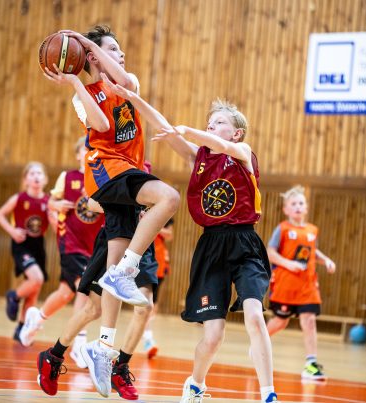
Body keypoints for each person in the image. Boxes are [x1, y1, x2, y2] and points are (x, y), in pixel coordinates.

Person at [103, 83, 279, 402]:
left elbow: (211, 141)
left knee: (254, 315)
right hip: (211, 247)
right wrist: (133, 98)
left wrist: (189, 130)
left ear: (237, 133)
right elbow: (165, 127)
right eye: (209, 122)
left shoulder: (243, 152)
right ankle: (196, 384)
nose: (211, 126)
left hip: (244, 243)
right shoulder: (198, 158)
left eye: (219, 122)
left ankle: (269, 394)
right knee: (213, 336)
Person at [36, 24, 179, 398]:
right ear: (94, 57)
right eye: (113, 49)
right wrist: (76, 82)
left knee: (111, 279)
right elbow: (100, 124)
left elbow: (126, 81)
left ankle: (94, 350)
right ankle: (122, 279)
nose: (122, 54)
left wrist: (87, 44)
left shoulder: (128, 83)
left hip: (127, 175)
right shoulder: (84, 95)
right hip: (106, 171)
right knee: (169, 198)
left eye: (120, 49)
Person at [18, 137, 105, 369]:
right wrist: (54, 206)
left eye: (93, 149)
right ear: (77, 155)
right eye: (85, 149)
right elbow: (50, 201)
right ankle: (79, 342)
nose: (89, 152)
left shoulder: (102, 179)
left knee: (66, 292)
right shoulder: (68, 177)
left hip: (94, 246)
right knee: (84, 288)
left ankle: (37, 318)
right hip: (71, 243)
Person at [265, 185, 336, 380]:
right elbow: (270, 252)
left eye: (301, 203)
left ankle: (311, 364)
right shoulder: (283, 229)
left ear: (306, 208)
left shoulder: (312, 230)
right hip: (286, 284)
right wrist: (288, 263)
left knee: (309, 320)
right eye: (293, 203)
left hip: (308, 285)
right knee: (281, 321)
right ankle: (260, 342)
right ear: (286, 209)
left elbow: (313, 252)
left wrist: (326, 260)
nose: (298, 206)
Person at [0, 161, 50, 342]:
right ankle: (13, 296)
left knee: (34, 289)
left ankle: (21, 328)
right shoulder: (18, 198)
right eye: (32, 174)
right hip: (22, 243)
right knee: (37, 279)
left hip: (38, 245)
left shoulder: (48, 201)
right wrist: (12, 231)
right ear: (25, 180)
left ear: (45, 179)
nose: (36, 176)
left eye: (39, 173)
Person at [142, 217, 174, 359]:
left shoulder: (166, 214)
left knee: (152, 304)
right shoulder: (140, 210)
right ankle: (147, 338)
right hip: (141, 261)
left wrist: (155, 226)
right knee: (144, 304)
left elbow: (170, 235)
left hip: (159, 263)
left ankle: (148, 338)